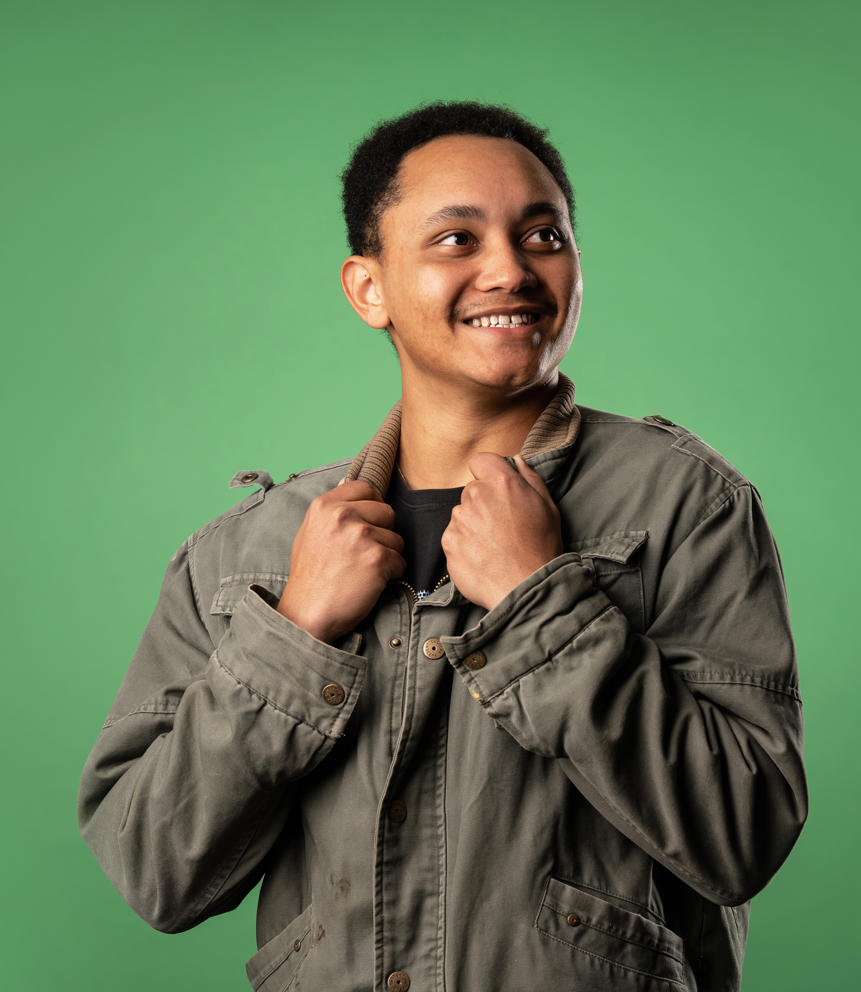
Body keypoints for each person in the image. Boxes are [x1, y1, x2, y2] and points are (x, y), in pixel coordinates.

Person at [79, 101, 807, 992]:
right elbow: (157, 870)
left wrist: (543, 604)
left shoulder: (682, 503)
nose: (510, 268)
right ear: (368, 287)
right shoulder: (246, 556)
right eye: (457, 239)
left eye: (543, 234)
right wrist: (296, 633)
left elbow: (744, 834)